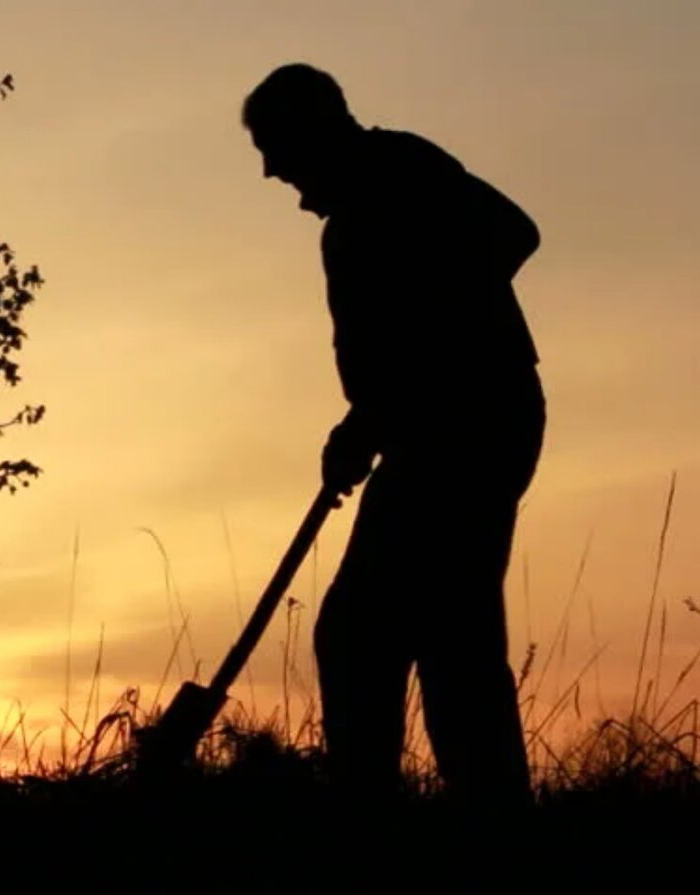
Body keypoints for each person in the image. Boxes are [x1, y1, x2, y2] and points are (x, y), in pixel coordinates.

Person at [242, 65, 545, 810]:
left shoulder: (399, 171)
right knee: (443, 634)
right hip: (430, 431)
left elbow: (514, 233)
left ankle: (386, 810)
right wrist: (365, 420)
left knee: (374, 633)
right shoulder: (353, 218)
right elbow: (390, 363)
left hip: (469, 428)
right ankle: (473, 807)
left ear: (314, 132)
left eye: (277, 148)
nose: (272, 169)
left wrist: (429, 337)